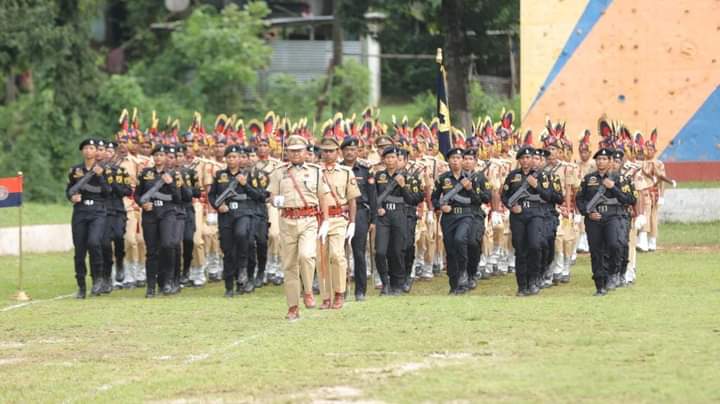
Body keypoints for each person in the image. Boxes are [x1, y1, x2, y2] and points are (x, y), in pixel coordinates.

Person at [268, 135, 330, 321]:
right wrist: (274, 200)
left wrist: (326, 220)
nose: (295, 154)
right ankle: (293, 306)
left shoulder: (316, 171)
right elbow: (272, 195)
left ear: (306, 152)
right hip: (287, 220)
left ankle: (309, 291)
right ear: (287, 152)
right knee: (289, 266)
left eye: (299, 150)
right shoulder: (279, 172)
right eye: (292, 150)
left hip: (309, 219)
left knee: (307, 255)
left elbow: (323, 197)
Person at [576, 148, 637, 296]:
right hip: (594, 219)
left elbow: (630, 199)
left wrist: (613, 188)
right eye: (598, 159)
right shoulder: (589, 179)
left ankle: (614, 272)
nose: (601, 162)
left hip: (614, 216)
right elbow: (580, 199)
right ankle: (600, 285)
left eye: (604, 159)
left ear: (610, 161)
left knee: (615, 245)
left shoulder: (621, 179)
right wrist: (588, 212)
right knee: (596, 251)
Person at [208, 145, 267, 297]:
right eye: (229, 157)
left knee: (242, 236)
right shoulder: (220, 175)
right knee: (228, 250)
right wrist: (217, 206)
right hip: (226, 215)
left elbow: (260, 196)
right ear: (225, 159)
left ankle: (243, 270)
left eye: (235, 157)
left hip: (245, 213)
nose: (232, 160)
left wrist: (244, 185)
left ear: (241, 158)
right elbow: (212, 195)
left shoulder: (249, 175)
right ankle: (229, 286)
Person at [432, 148, 491, 294]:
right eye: (453, 158)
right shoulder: (443, 178)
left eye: (459, 158)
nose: (456, 161)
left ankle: (466, 272)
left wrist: (470, 189)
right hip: (449, 217)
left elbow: (480, 200)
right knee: (451, 250)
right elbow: (434, 198)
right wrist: (440, 206)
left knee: (461, 240)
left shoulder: (473, 178)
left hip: (467, 215)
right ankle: (455, 284)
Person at [501, 146, 558, 296]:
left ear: (533, 159)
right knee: (520, 249)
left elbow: (548, 196)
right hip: (518, 216)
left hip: (536, 214)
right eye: (523, 158)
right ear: (519, 160)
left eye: (529, 157)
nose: (526, 160)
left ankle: (534, 280)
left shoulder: (542, 176)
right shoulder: (513, 176)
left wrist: (536, 186)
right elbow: (504, 196)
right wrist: (511, 207)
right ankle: (522, 285)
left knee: (534, 245)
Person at [317, 138, 361, 309]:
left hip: (338, 218)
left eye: (331, 151)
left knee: (337, 255)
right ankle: (325, 296)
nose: (328, 154)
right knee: (321, 259)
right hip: (318, 218)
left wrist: (352, 222)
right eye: (325, 151)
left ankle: (339, 292)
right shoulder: (315, 171)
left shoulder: (346, 172)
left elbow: (352, 200)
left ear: (338, 152)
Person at [135, 145, 184, 298]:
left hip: (168, 212)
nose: (158, 158)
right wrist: (142, 204)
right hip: (150, 214)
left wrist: (170, 184)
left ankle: (168, 281)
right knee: (152, 251)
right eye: (155, 155)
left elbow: (179, 198)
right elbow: (137, 194)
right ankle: (151, 286)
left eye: (161, 155)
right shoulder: (145, 173)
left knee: (168, 245)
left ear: (166, 157)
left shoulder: (174, 175)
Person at [66, 138, 112, 298]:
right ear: (82, 151)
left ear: (96, 151)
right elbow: (69, 190)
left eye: (91, 148)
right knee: (79, 251)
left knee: (94, 243)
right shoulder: (75, 170)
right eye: (85, 148)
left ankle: (98, 278)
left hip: (98, 211)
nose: (88, 151)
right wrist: (71, 198)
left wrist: (99, 177)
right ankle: (81, 286)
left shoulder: (103, 169)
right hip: (80, 211)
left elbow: (107, 192)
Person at [372, 146, 410, 295]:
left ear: (398, 159)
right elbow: (373, 196)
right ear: (383, 159)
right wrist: (378, 208)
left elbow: (412, 199)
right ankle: (385, 283)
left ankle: (397, 283)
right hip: (383, 217)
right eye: (387, 157)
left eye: (393, 157)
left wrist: (403, 186)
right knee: (380, 252)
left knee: (397, 251)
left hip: (399, 215)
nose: (390, 160)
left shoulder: (405, 176)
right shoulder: (378, 176)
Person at [99, 141, 131, 293]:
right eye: (105, 151)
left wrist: (113, 183)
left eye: (111, 151)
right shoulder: (97, 171)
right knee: (105, 244)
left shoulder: (120, 171)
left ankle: (119, 261)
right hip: (103, 210)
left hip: (117, 209)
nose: (107, 154)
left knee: (118, 237)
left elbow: (127, 190)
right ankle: (106, 276)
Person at [397, 148, 426, 293]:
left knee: (407, 245)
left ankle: (407, 275)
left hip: (407, 214)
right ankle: (396, 277)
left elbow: (418, 197)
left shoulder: (412, 179)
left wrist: (403, 189)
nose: (396, 161)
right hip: (390, 216)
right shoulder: (383, 176)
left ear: (406, 161)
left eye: (400, 159)